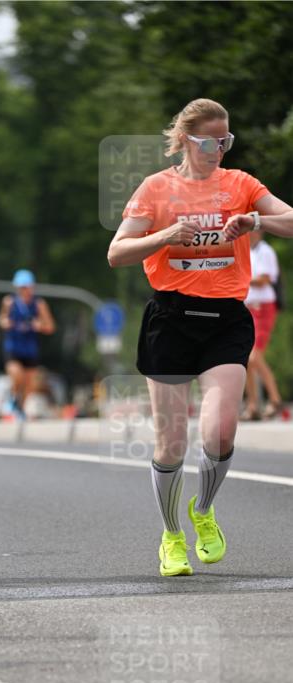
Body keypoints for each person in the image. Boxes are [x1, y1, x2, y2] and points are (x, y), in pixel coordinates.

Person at [108, 98, 293, 577]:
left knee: (221, 431)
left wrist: (255, 221)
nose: (219, 150)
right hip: (170, 320)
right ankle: (171, 535)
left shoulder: (241, 184)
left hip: (226, 319)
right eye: (210, 142)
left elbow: (291, 220)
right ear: (186, 141)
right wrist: (165, 236)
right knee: (171, 444)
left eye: (225, 141)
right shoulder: (156, 188)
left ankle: (203, 510)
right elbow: (117, 252)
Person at [0, 270, 55, 415]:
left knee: (30, 384)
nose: (24, 290)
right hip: (13, 347)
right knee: (17, 375)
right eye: (21, 287)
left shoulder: (39, 304)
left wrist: (40, 326)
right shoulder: (9, 302)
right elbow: (2, 320)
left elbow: (50, 326)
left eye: (26, 287)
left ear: (31, 287)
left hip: (30, 349)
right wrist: (6, 323)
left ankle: (20, 409)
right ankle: (12, 397)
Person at [243, 231, 282, 420]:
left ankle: (275, 399)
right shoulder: (247, 251)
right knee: (245, 359)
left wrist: (242, 279)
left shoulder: (265, 251)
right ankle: (253, 405)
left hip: (263, 307)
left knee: (254, 357)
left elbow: (265, 279)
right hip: (248, 308)